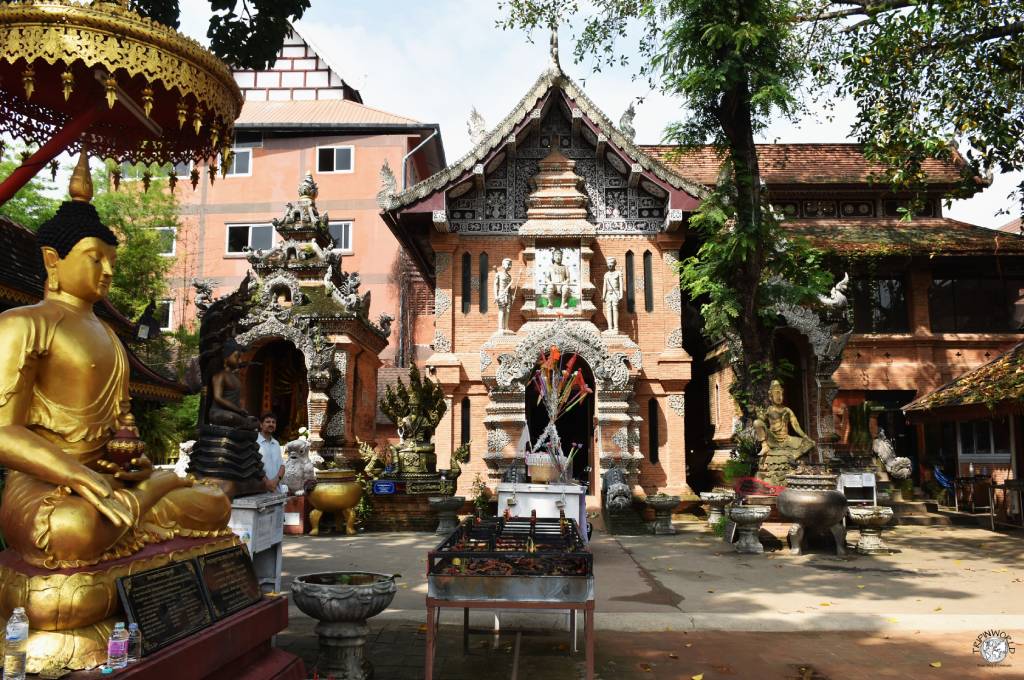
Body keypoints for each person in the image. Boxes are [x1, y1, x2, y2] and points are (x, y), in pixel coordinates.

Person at [0, 152, 230, 571]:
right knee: (75, 529)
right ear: (54, 260)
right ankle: (152, 495)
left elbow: (123, 426)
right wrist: (76, 476)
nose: (107, 271)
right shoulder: (22, 324)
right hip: (45, 488)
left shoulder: (108, 334)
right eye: (95, 258)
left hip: (110, 486)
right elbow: (3, 433)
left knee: (215, 502)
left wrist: (134, 461)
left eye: (111, 261)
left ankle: (143, 501)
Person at [257, 412, 286, 492]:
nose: (271, 424)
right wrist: (267, 482)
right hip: (261, 489)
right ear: (261, 425)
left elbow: (282, 466)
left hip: (277, 488)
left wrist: (276, 481)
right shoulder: (255, 442)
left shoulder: (276, 443)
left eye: (273, 422)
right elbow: (254, 466)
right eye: (268, 422)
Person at [602, 256, 623, 333]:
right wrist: (603, 295)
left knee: (615, 309)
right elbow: (604, 286)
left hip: (615, 293)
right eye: (608, 263)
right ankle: (610, 327)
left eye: (611, 263)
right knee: (608, 310)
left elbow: (621, 284)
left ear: (614, 264)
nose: (609, 265)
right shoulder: (606, 274)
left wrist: (621, 294)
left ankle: (616, 327)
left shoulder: (618, 273)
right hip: (608, 294)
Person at [494, 257, 514, 333]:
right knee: (501, 310)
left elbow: (509, 288)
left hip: (508, 295)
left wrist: (511, 296)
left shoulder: (509, 276)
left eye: (510, 265)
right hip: (501, 295)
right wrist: (496, 296)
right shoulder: (498, 274)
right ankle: (500, 327)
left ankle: (506, 326)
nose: (509, 266)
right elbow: (495, 285)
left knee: (508, 310)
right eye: (508, 264)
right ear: (503, 264)